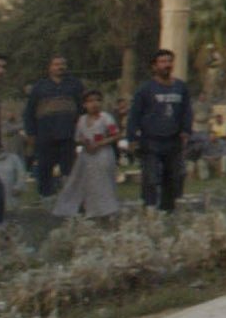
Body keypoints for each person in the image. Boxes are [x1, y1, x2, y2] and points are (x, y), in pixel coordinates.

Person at [127, 49, 192, 212]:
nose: (167, 65)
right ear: (154, 66)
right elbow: (134, 115)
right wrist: (132, 138)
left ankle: (167, 211)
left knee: (174, 178)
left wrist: (186, 130)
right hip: (151, 141)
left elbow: (187, 111)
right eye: (163, 62)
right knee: (150, 178)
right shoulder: (145, 89)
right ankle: (149, 210)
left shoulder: (180, 87)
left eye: (169, 61)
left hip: (173, 140)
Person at [22, 54, 84, 199]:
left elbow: (82, 109)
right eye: (56, 64)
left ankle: (71, 200)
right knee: (44, 169)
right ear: (49, 67)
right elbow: (29, 112)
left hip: (68, 135)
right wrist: (31, 133)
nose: (60, 67)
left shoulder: (74, 85)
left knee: (69, 169)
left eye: (63, 64)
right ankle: (45, 198)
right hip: (45, 135)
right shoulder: (39, 87)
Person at [51, 89, 119, 220]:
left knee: (103, 182)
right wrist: (85, 142)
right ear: (84, 104)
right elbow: (77, 137)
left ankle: (107, 210)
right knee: (85, 182)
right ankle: (88, 209)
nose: (94, 104)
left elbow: (115, 135)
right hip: (87, 156)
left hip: (103, 154)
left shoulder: (106, 118)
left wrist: (99, 143)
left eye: (98, 100)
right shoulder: (82, 120)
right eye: (91, 101)